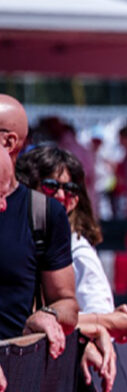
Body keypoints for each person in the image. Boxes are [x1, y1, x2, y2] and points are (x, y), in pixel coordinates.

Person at [16, 146, 127, 342]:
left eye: (70, 189)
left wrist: (109, 321)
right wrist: (110, 320)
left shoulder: (77, 251)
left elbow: (100, 322)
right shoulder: (21, 240)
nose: (61, 196)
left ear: (76, 201)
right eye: (50, 186)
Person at [0, 95, 79, 354]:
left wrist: (47, 315)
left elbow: (66, 303)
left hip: (14, 366)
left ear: (9, 142)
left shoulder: (43, 213)